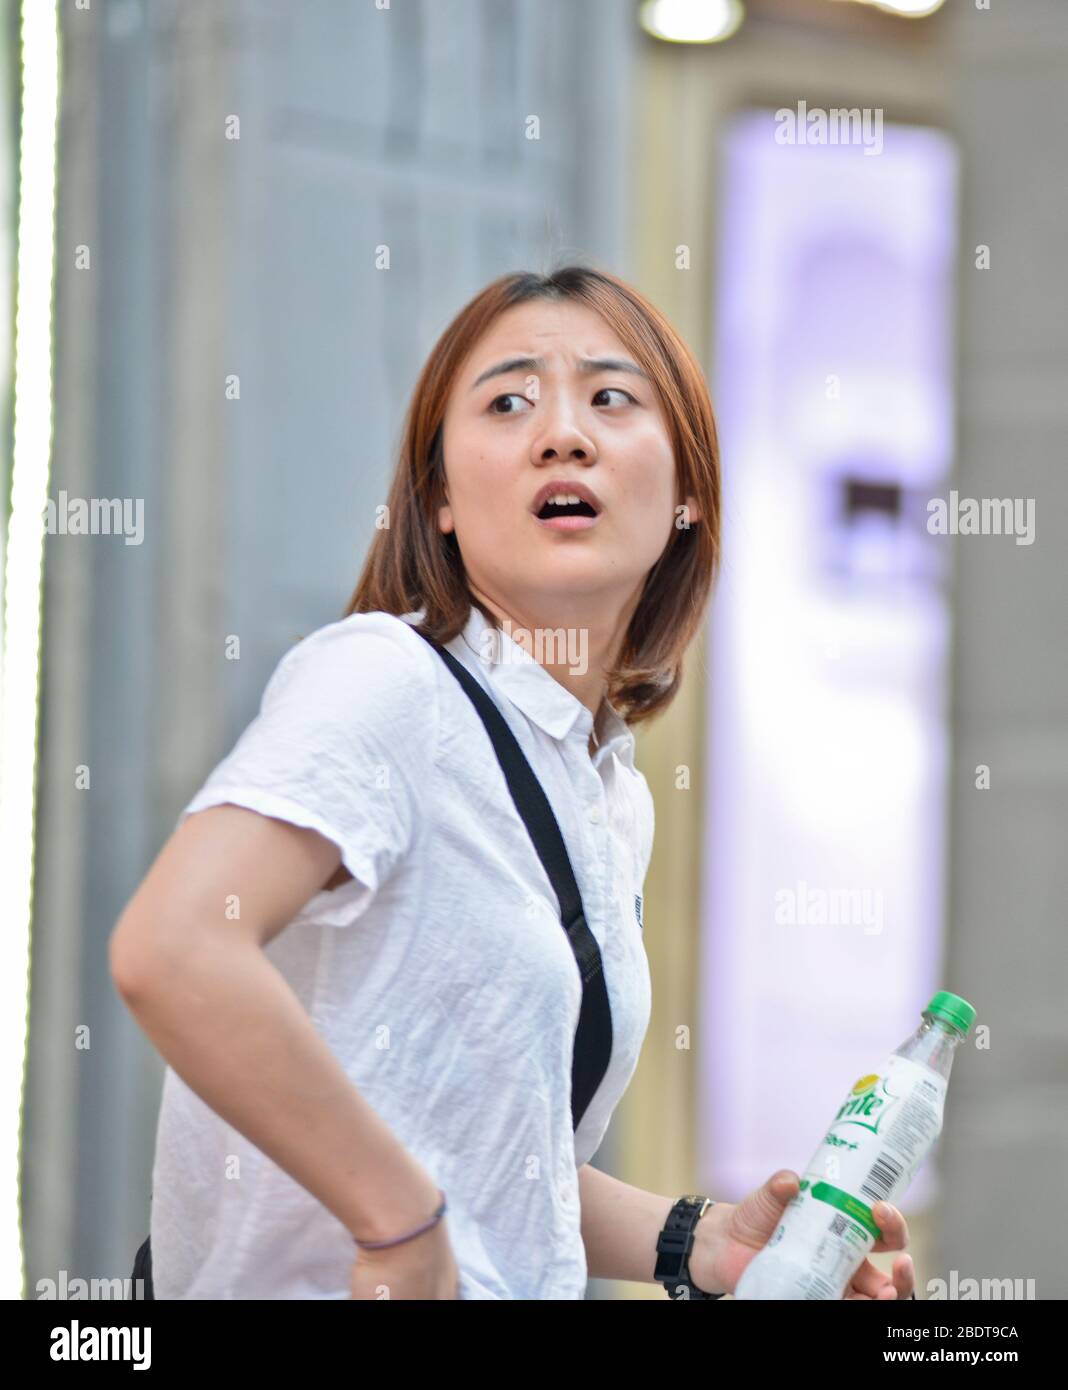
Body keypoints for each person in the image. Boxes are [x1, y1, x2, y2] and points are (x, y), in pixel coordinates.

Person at [110, 264, 915, 1300]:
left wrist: (695, 1241)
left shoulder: (611, 797)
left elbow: (490, 1149)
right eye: (507, 400)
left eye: (611, 397)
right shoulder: (385, 681)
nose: (563, 432)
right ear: (438, 498)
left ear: (685, 496)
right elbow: (173, 947)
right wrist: (399, 1224)